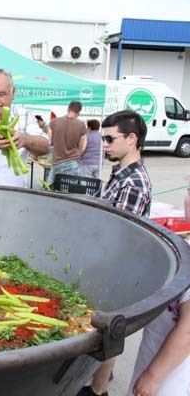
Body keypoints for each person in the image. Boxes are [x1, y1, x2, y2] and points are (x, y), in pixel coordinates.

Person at [78, 110, 153, 396]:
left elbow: (118, 238)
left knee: (109, 334)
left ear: (132, 139)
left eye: (110, 138)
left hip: (115, 269)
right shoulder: (121, 174)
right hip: (108, 265)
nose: (104, 144)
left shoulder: (133, 183)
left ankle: (98, 390)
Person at [126, 188, 190, 396]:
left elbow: (188, 330)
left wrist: (154, 376)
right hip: (155, 349)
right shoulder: (185, 247)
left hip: (174, 370)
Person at [48, 100, 87, 183]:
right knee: (71, 193)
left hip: (56, 163)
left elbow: (49, 142)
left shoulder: (54, 122)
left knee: (52, 191)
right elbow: (83, 147)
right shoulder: (81, 125)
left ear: (68, 108)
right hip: (73, 164)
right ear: (79, 112)